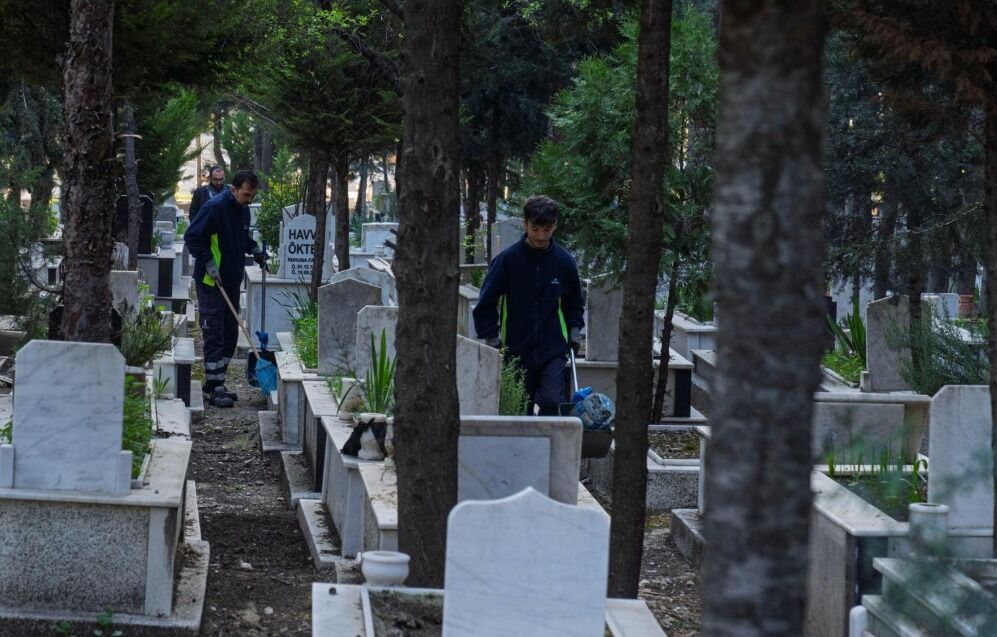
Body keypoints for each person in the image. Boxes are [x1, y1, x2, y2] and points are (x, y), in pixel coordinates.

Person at [473, 195, 584, 415]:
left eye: (547, 229)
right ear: (525, 224)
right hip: (515, 349)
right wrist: (492, 338)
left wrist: (574, 329)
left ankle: (549, 444)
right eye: (535, 229)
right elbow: (486, 302)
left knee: (552, 401)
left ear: (555, 226)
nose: (541, 236)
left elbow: (574, 303)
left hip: (552, 349)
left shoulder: (564, 262)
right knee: (518, 408)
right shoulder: (508, 261)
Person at [185, 170, 268, 408]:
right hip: (212, 281)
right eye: (245, 194)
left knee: (231, 333)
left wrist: (255, 250)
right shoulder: (215, 208)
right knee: (214, 331)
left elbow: (241, 239)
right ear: (233, 189)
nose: (248, 199)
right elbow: (193, 237)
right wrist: (208, 262)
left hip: (231, 280)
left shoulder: (243, 210)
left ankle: (216, 381)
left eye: (252, 195)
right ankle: (215, 386)